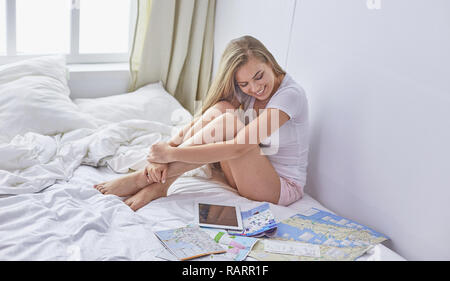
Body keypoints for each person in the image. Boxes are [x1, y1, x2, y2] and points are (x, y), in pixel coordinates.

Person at [94, 35, 309, 211]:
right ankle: (161, 181)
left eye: (259, 76)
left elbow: (240, 147)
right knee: (223, 110)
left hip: (278, 188)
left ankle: (149, 179)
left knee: (229, 123)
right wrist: (168, 148)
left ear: (270, 62)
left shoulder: (290, 94)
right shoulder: (252, 90)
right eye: (244, 84)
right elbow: (210, 115)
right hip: (249, 174)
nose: (255, 88)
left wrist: (171, 155)